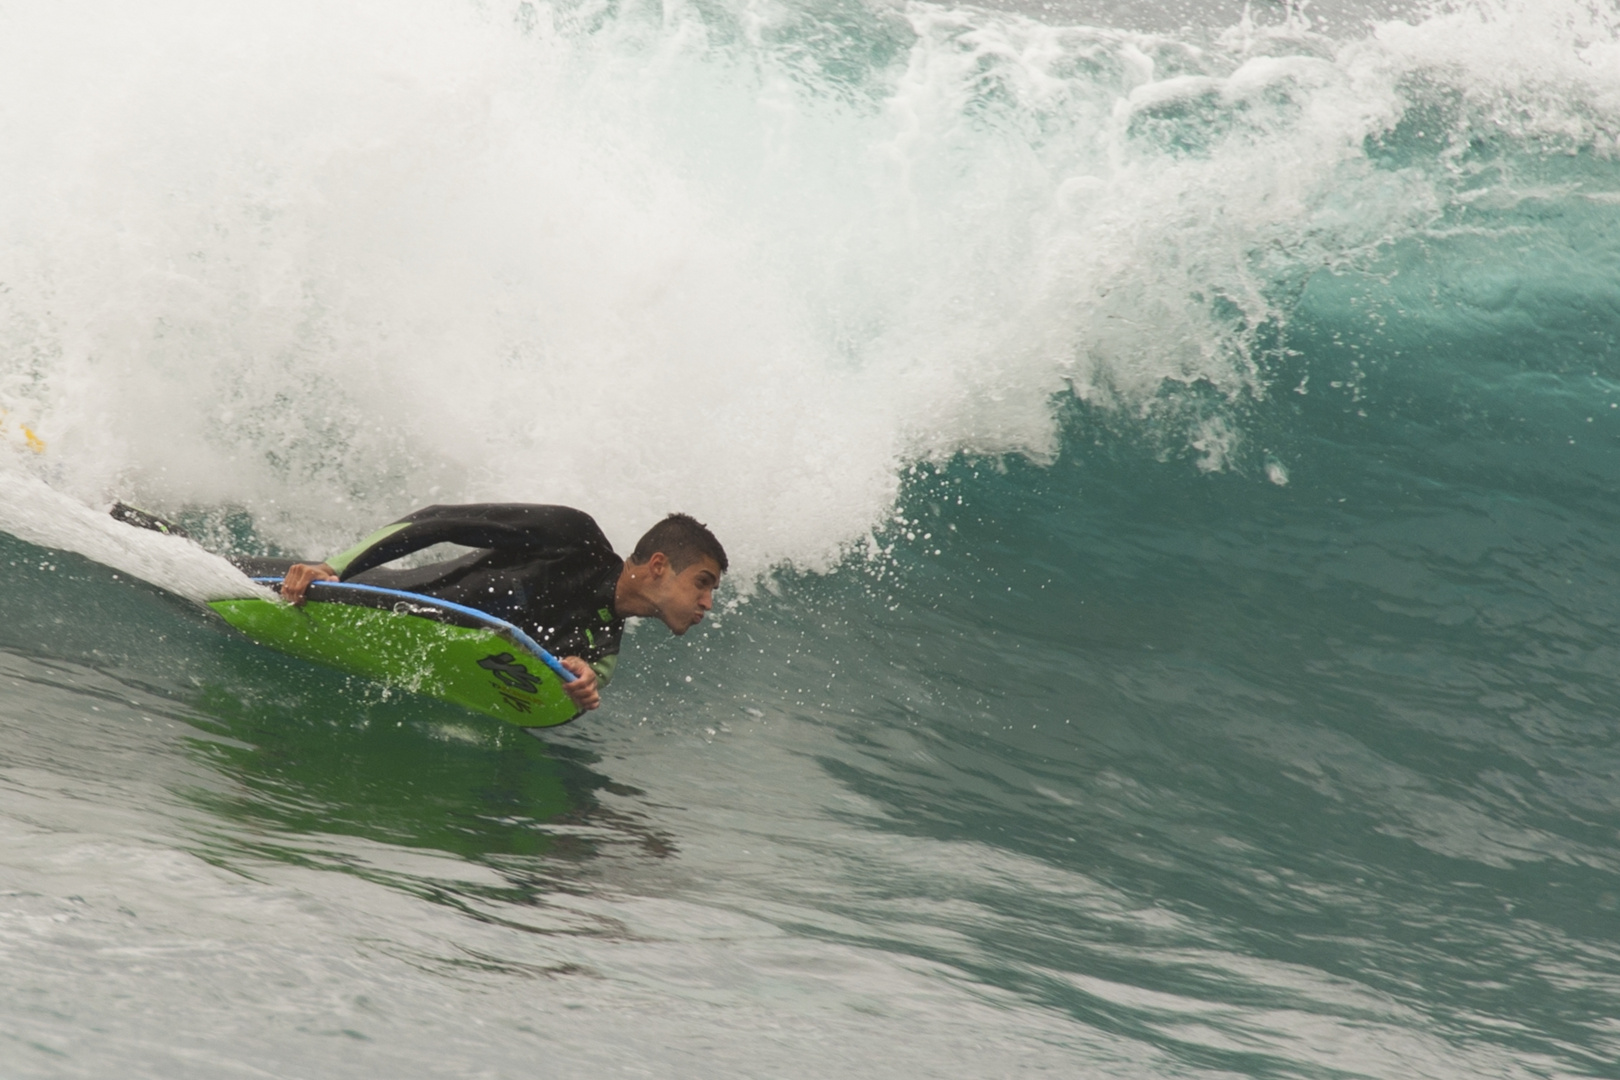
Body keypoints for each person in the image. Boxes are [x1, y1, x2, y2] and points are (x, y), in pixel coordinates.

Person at [249, 504, 725, 714]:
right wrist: (334, 568)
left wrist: (575, 681)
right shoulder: (571, 538)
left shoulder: (601, 644)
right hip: (365, 595)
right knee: (186, 559)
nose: (707, 603)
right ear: (659, 565)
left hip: (385, 643)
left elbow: (582, 680)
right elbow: (438, 520)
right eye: (702, 584)